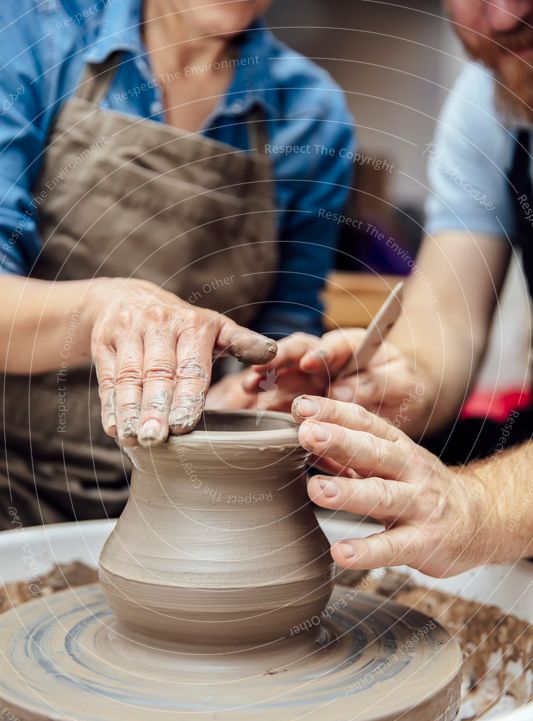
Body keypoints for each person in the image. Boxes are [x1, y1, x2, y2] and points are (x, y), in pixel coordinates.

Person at [0, 0, 353, 526]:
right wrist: (105, 308)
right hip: (13, 469)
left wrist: (263, 390)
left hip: (187, 489)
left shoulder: (312, 114)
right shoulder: (37, 33)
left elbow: (286, 323)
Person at [243, 0, 533, 575]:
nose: (502, 18)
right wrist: (390, 387)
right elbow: (448, 320)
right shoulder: (490, 99)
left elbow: (482, 507)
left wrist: (483, 506)